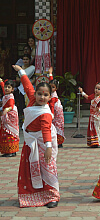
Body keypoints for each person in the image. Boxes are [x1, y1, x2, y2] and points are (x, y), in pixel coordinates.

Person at [13, 64, 59, 208]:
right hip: (31, 142)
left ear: (50, 97)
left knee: (47, 169)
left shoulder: (45, 113)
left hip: (44, 145)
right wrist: (21, 71)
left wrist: (48, 147)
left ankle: (53, 196)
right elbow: (27, 86)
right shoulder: (32, 101)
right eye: (40, 94)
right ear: (35, 94)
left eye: (46, 95)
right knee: (30, 168)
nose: (42, 97)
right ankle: (32, 194)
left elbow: (46, 131)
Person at [0, 79, 19, 157]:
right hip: (6, 115)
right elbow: (3, 88)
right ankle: (8, 151)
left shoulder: (10, 97)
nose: (6, 88)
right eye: (5, 87)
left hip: (10, 116)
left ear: (12, 89)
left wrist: (6, 110)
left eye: (9, 87)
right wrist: (1, 82)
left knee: (10, 132)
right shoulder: (6, 95)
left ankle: (11, 151)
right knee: (6, 132)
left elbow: (10, 106)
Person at [48, 68, 65, 148]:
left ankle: (58, 142)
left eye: (53, 87)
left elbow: (51, 105)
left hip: (56, 111)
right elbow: (51, 81)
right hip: (56, 110)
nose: (51, 88)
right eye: (50, 86)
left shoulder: (53, 96)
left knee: (57, 126)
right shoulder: (51, 92)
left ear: (56, 88)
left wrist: (51, 114)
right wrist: (50, 73)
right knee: (57, 125)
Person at [16, 54, 35, 120]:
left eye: (27, 59)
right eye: (24, 59)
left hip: (29, 88)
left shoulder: (32, 68)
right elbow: (17, 79)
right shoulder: (20, 68)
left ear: (30, 60)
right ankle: (22, 119)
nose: (25, 61)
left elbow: (33, 78)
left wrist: (26, 82)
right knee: (22, 103)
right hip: (21, 88)